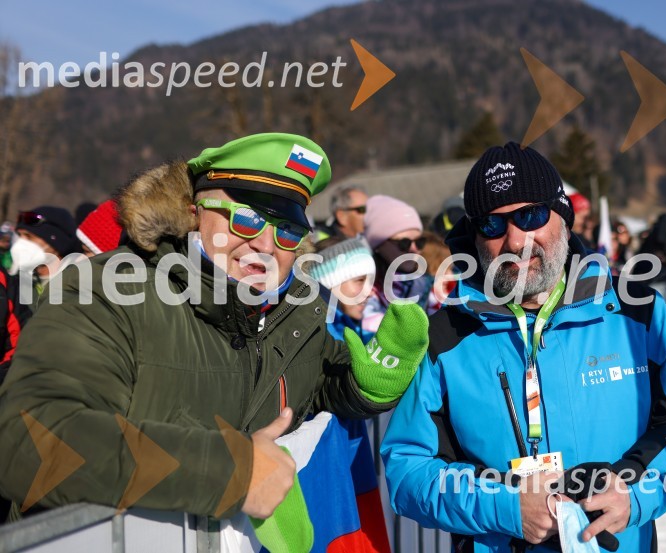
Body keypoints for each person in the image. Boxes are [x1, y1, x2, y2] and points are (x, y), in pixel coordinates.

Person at [0, 134, 428, 539]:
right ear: (191, 212)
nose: (264, 242)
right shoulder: (105, 292)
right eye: (245, 217)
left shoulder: (291, 312)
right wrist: (230, 472)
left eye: (288, 229)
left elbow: (315, 383)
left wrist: (369, 385)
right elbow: (27, 441)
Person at [381, 142, 666, 553]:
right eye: (493, 224)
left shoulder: (637, 313)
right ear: (474, 238)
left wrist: (635, 492)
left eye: (531, 215)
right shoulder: (444, 337)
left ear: (563, 216)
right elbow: (407, 470)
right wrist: (505, 506)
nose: (515, 239)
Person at [361, 194, 433, 333]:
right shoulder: (363, 289)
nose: (413, 249)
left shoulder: (429, 284)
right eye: (403, 243)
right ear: (379, 246)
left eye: (419, 242)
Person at [307, 236, 376, 343]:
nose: (370, 292)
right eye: (360, 280)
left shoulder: (353, 331)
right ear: (329, 282)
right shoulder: (321, 338)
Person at [10, 206, 82, 298]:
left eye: (29, 236)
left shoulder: (78, 286)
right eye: (19, 235)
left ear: (57, 242)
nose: (21, 243)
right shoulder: (16, 283)